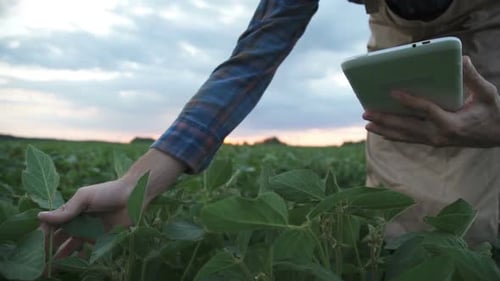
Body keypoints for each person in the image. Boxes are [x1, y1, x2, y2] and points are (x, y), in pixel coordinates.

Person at [39, 0, 500, 255]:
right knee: (407, 219)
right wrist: (136, 184)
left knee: (479, 232)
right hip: (399, 40)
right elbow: (252, 60)